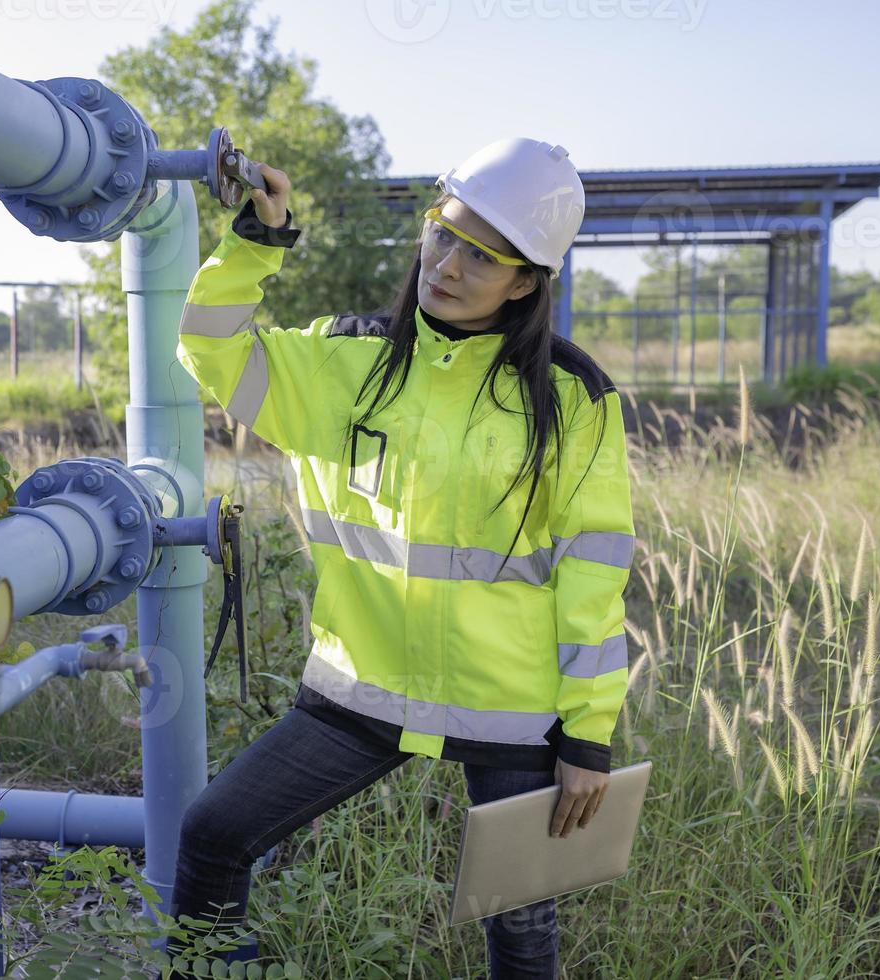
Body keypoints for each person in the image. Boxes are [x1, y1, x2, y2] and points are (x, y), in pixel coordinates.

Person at [163, 138, 635, 979]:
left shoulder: (573, 400)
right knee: (212, 836)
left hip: (513, 711)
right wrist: (256, 240)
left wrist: (586, 738)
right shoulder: (346, 363)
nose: (447, 265)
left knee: (520, 925)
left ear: (526, 279)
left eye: (481, 256)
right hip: (360, 691)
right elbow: (209, 346)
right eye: (441, 234)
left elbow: (592, 572)